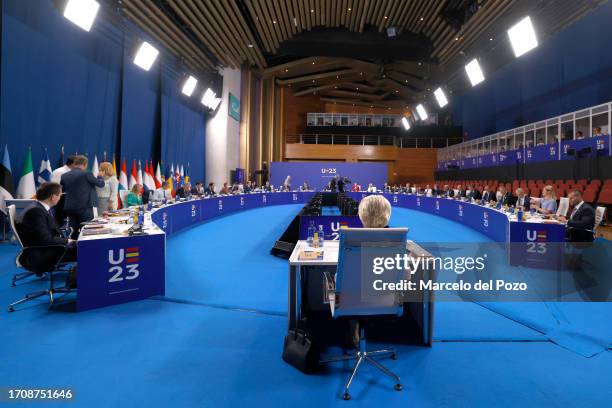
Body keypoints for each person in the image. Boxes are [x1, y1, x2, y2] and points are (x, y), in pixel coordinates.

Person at [17, 182, 77, 286]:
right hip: (41, 254)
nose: (60, 198)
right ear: (53, 197)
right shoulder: (36, 212)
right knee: (86, 249)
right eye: (60, 195)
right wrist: (68, 241)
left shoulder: (38, 207)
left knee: (80, 246)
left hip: (43, 248)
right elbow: (46, 239)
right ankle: (77, 282)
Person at [60, 155, 105, 238]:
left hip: (69, 207)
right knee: (86, 230)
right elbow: (100, 184)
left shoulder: (64, 175)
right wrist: (100, 176)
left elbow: (62, 190)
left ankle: (72, 248)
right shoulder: (87, 173)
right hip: (84, 207)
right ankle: (85, 249)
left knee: (72, 230)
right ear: (85, 164)